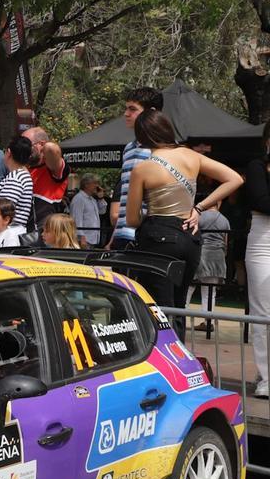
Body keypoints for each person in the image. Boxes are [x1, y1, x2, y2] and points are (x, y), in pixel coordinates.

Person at [128, 109, 244, 329]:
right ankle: (180, 358)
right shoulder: (192, 156)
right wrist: (199, 208)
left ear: (142, 136)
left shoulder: (142, 169)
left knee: (158, 310)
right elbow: (234, 179)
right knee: (179, 307)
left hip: (158, 235)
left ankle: (162, 360)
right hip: (190, 235)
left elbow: (132, 219)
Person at [110, 87, 163, 250]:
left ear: (151, 112)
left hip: (146, 236)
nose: (126, 114)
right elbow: (126, 198)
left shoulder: (162, 149)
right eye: (126, 108)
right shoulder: (128, 148)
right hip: (122, 236)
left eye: (132, 109)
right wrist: (114, 236)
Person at [245, 122, 270, 396]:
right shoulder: (256, 166)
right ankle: (266, 376)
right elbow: (261, 200)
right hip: (264, 238)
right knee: (262, 312)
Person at [186, 204, 230, 328]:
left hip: (201, 254)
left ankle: (180, 317)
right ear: (218, 204)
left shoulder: (199, 216)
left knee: (189, 287)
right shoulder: (225, 220)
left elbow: (192, 235)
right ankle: (208, 323)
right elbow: (226, 242)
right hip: (218, 257)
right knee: (210, 292)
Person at [24, 127, 70, 227]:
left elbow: (51, 148)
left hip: (46, 233)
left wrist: (44, 146)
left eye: (26, 144)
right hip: (24, 233)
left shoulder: (53, 168)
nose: (23, 148)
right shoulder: (24, 168)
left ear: (41, 144)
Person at [0, 135, 35, 231]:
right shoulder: (20, 175)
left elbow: (2, 209)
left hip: (7, 234)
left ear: (9, 153)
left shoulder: (16, 178)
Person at [69, 174, 103, 247]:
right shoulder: (79, 199)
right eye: (95, 183)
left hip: (92, 238)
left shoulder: (92, 199)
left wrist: (101, 198)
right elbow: (76, 219)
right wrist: (81, 237)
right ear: (86, 185)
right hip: (84, 239)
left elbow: (102, 211)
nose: (97, 186)